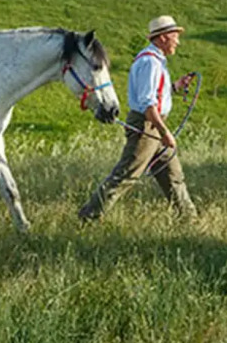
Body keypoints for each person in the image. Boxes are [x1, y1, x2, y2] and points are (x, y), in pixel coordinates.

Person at [78, 15, 197, 221]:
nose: (178, 41)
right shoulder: (150, 62)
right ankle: (88, 216)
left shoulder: (155, 60)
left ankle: (189, 219)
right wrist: (164, 132)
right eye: (175, 36)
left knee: (173, 175)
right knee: (126, 175)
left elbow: (154, 94)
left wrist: (175, 87)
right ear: (163, 38)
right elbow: (148, 104)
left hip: (153, 124)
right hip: (147, 126)